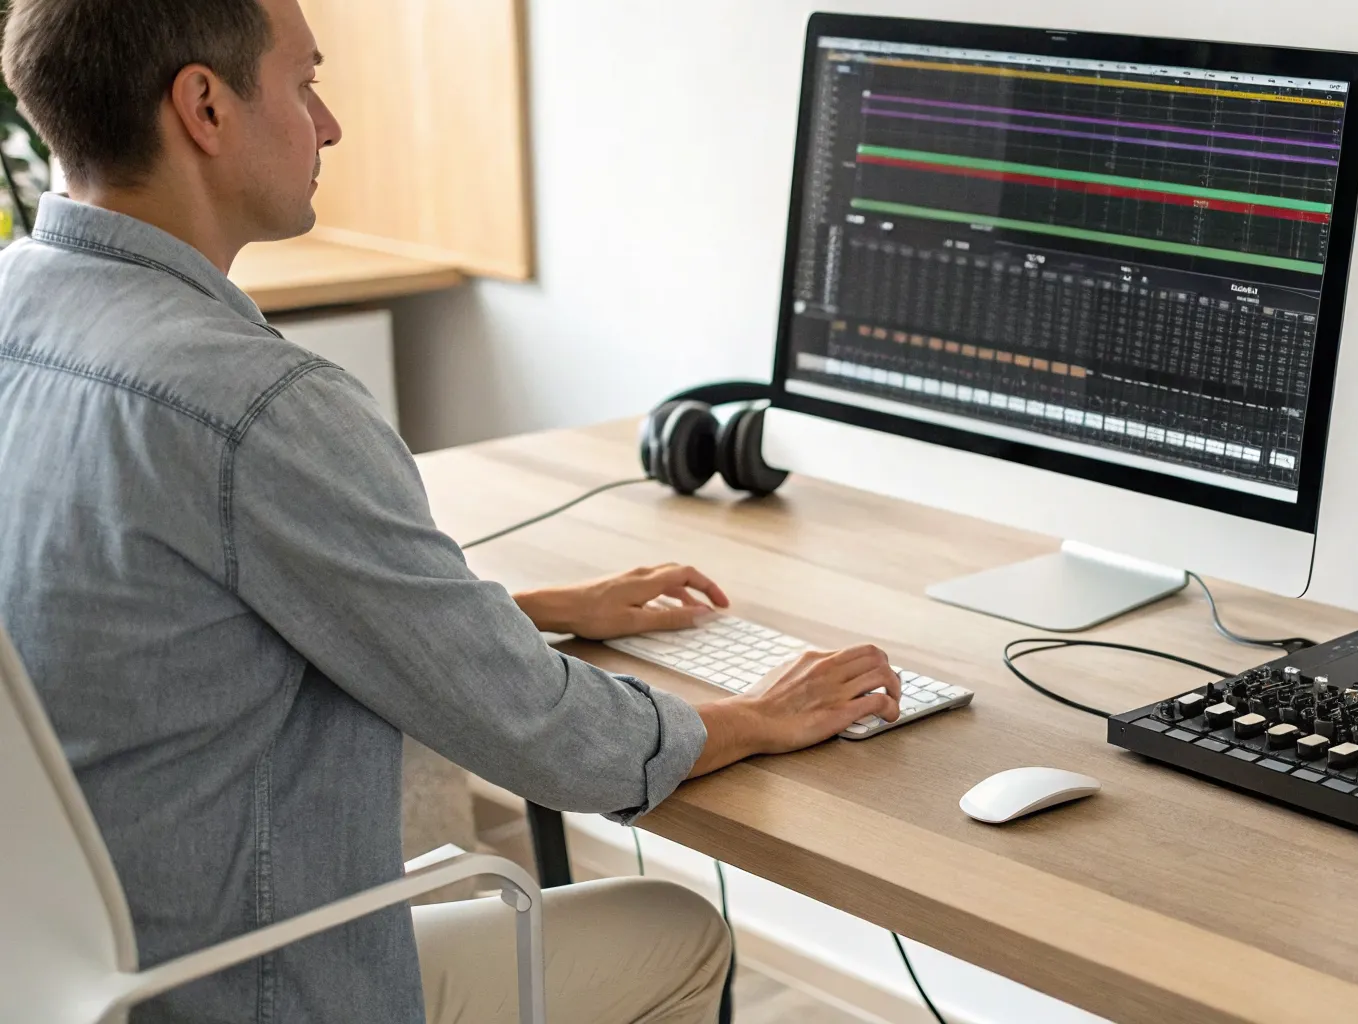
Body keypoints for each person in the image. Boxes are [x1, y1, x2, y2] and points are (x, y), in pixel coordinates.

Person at [0, 0, 902, 1021]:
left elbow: (163, 621)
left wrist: (530, 607)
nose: (329, 123)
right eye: (303, 83)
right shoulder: (256, 408)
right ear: (204, 106)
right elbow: (548, 740)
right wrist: (751, 716)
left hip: (67, 982)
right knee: (677, 930)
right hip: (242, 987)